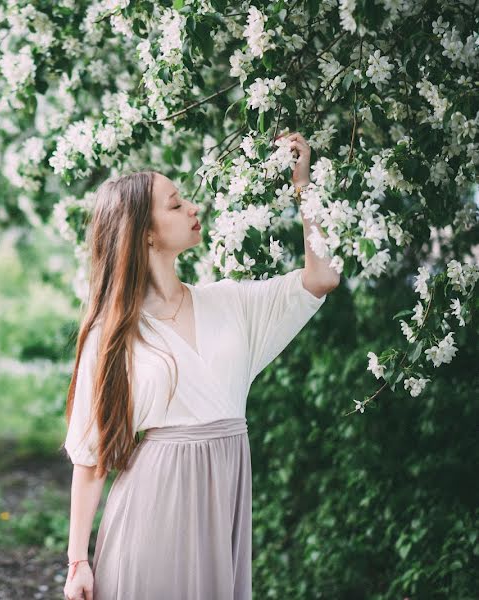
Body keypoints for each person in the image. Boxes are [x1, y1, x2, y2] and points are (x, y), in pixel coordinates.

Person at [62, 132, 340, 599]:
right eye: (175, 205)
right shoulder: (112, 335)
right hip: (151, 511)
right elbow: (90, 459)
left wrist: (303, 185)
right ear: (145, 232)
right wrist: (77, 562)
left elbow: (322, 277)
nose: (193, 208)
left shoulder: (230, 303)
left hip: (223, 504)